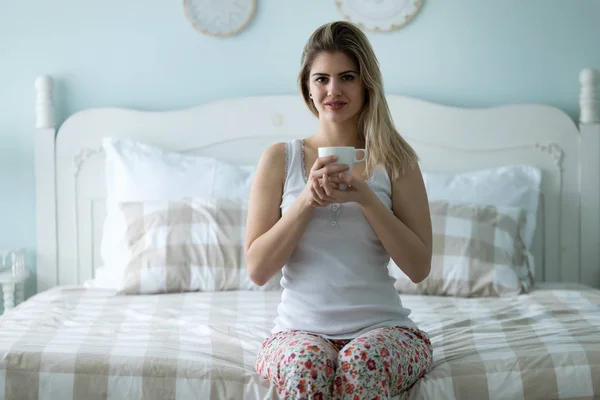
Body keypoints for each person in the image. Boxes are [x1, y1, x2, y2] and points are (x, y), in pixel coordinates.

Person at [244, 20, 433, 400]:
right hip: (297, 332)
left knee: (361, 363)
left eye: (347, 77)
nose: (333, 90)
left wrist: (366, 198)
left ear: (366, 84)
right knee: (306, 364)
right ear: (307, 87)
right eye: (321, 79)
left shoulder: (396, 162)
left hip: (385, 330)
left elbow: (418, 267)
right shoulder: (279, 159)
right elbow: (258, 270)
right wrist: (306, 201)